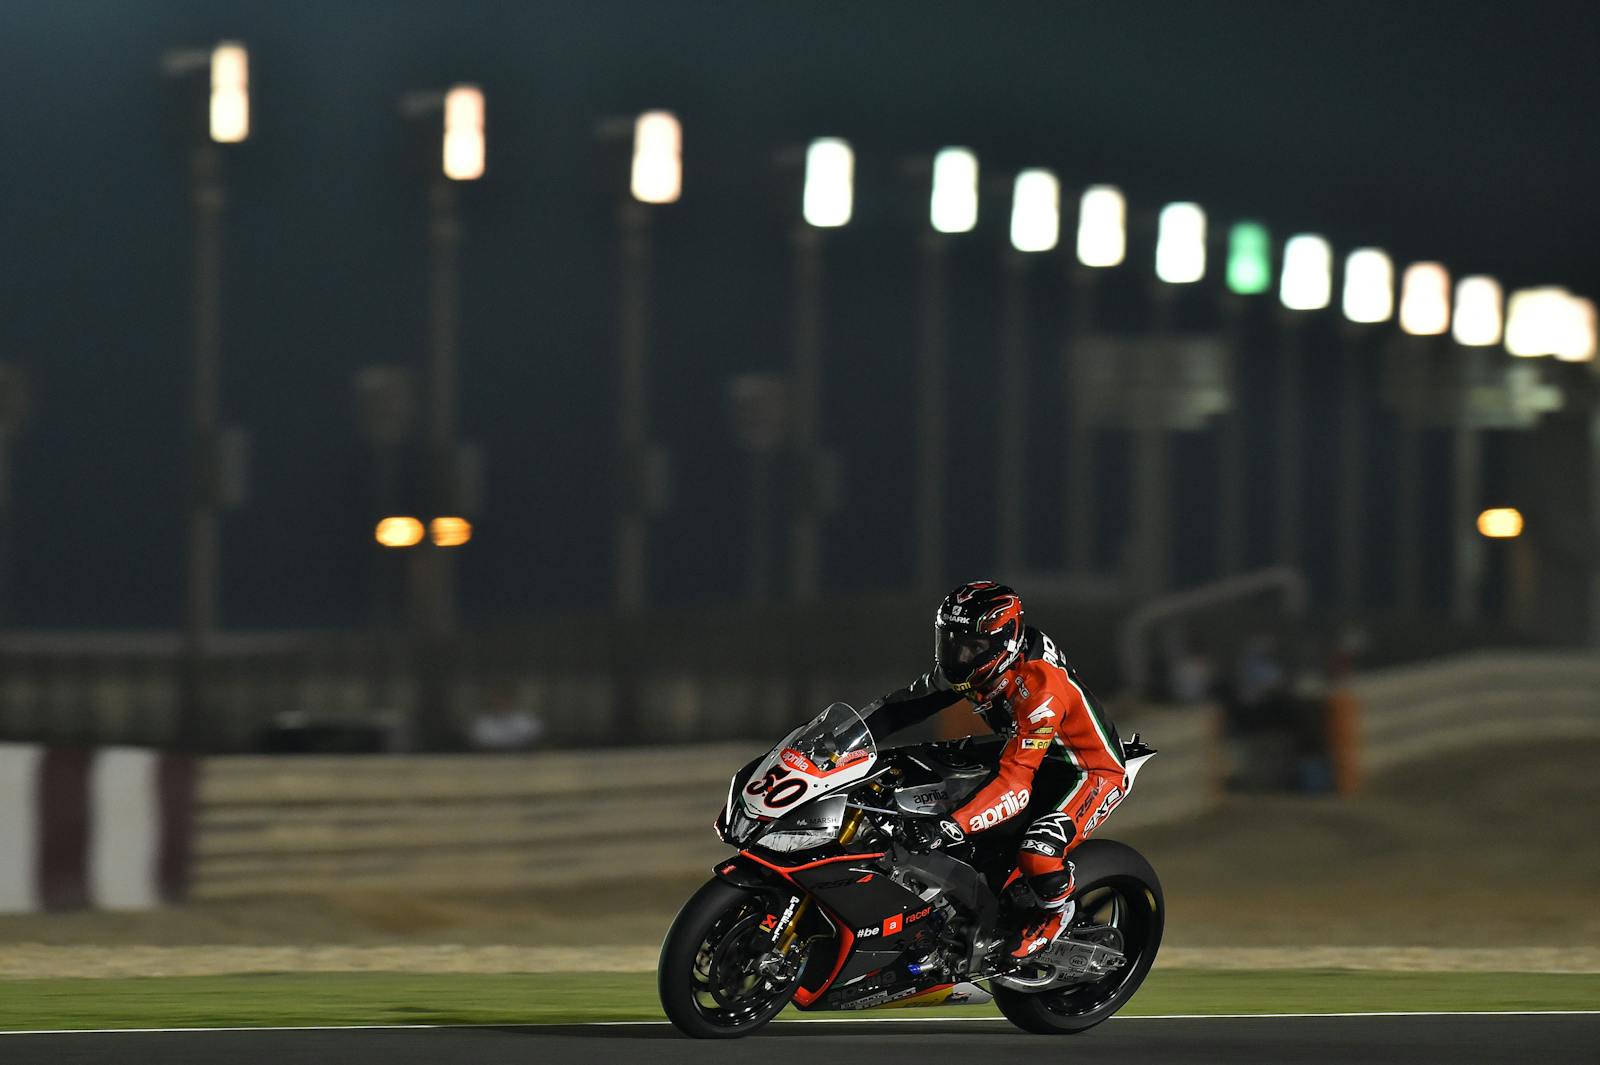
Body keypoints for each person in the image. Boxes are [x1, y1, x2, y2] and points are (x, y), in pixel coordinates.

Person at [863, 580, 1127, 961]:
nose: (959, 654)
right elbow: (899, 708)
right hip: (1025, 747)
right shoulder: (981, 662)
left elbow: (1015, 785)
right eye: (951, 641)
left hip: (1085, 771)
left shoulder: (1040, 690)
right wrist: (837, 742)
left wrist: (947, 827)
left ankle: (1055, 914)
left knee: (1038, 851)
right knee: (918, 767)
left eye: (972, 646)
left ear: (1005, 641)